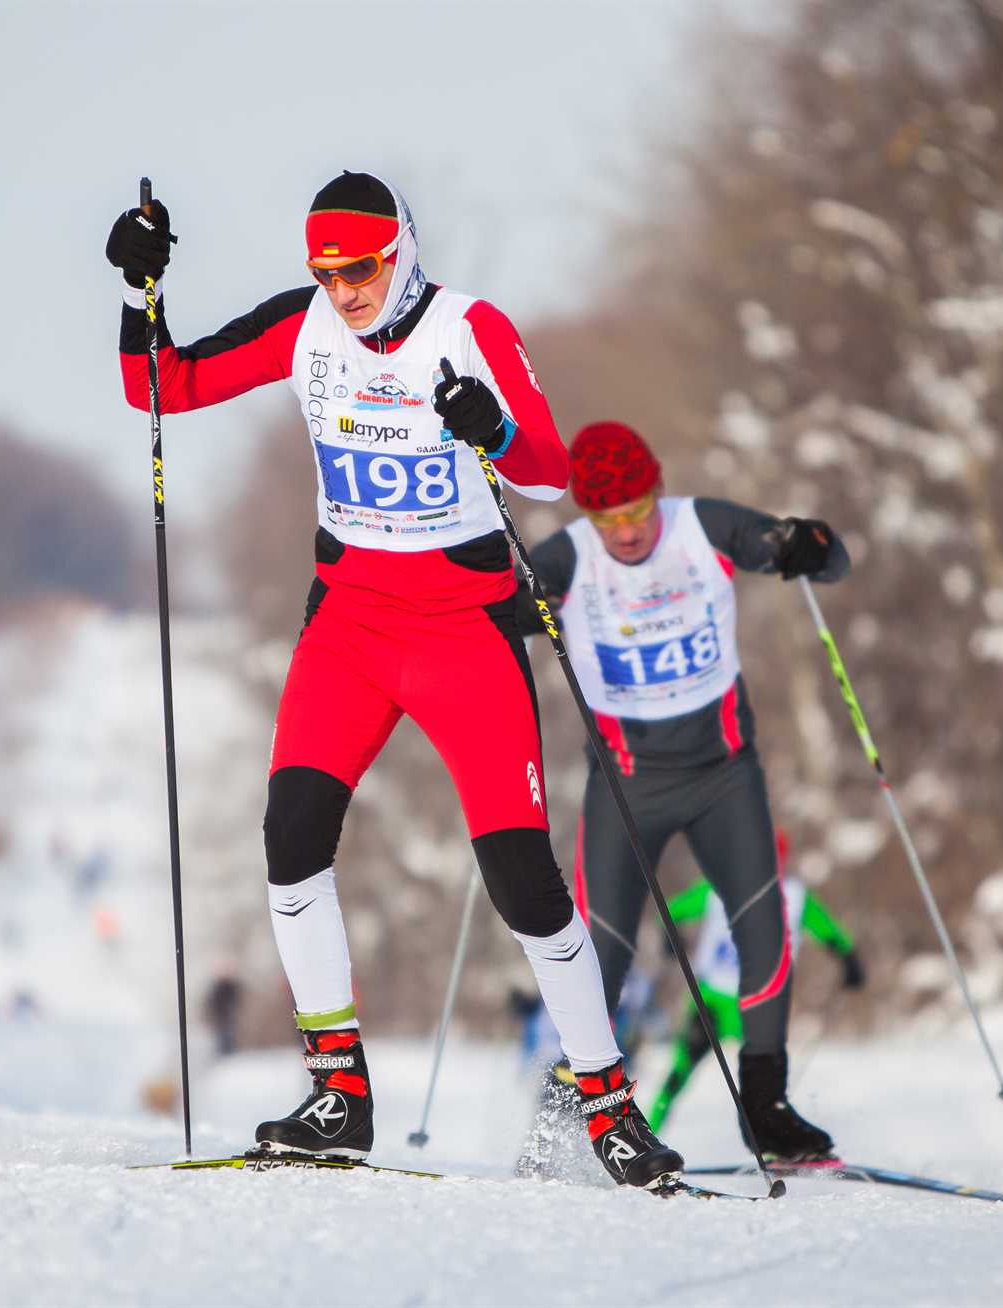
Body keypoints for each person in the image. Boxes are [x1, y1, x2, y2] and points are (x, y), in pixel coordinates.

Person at [105, 172, 682, 1189]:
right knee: (290, 842)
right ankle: (339, 1095)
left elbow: (550, 471)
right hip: (352, 629)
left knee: (523, 880)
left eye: (362, 268)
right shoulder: (304, 330)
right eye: (326, 272)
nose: (345, 291)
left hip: (464, 632)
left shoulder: (471, 330)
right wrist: (139, 293)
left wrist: (490, 428)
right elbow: (161, 386)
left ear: (401, 252)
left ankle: (608, 1107)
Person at [517, 420, 851, 1162]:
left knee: (763, 923)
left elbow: (829, 561)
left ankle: (766, 1112)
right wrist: (512, 609)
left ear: (655, 490)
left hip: (723, 773)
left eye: (636, 511)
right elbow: (498, 619)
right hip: (625, 783)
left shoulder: (705, 526)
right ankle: (571, 1114)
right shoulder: (568, 556)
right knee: (600, 948)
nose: (627, 533)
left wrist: (809, 545)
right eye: (608, 519)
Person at [648, 829, 864, 1131]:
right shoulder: (718, 887)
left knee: (760, 1084)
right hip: (712, 1000)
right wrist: (668, 937)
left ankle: (765, 1142)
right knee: (680, 1072)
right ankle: (648, 1132)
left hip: (759, 1004)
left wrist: (847, 958)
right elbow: (669, 911)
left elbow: (828, 931)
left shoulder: (794, 895)